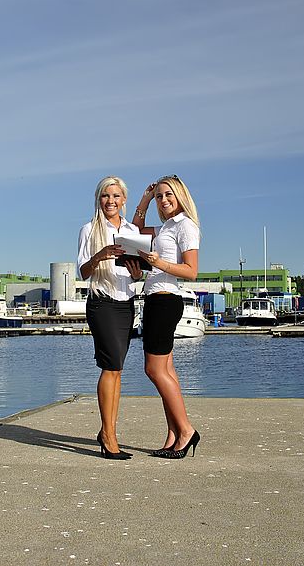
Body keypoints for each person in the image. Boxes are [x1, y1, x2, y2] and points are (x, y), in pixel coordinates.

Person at [133, 174, 201, 459]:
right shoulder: (165, 228)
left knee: (154, 370)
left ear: (180, 196)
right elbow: (134, 234)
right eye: (160, 195)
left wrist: (159, 263)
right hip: (154, 300)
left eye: (168, 194)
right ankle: (174, 434)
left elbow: (191, 271)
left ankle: (186, 430)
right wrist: (144, 200)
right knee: (167, 371)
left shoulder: (186, 225)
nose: (164, 199)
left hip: (165, 301)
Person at [78, 175, 143, 460]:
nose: (111, 201)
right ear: (98, 199)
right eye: (106, 196)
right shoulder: (89, 229)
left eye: (116, 196)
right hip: (101, 303)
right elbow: (83, 271)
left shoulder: (132, 230)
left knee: (117, 370)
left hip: (125, 303)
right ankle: (108, 436)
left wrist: (139, 273)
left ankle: (109, 431)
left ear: (124, 200)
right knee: (111, 365)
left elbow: (138, 274)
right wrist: (100, 256)